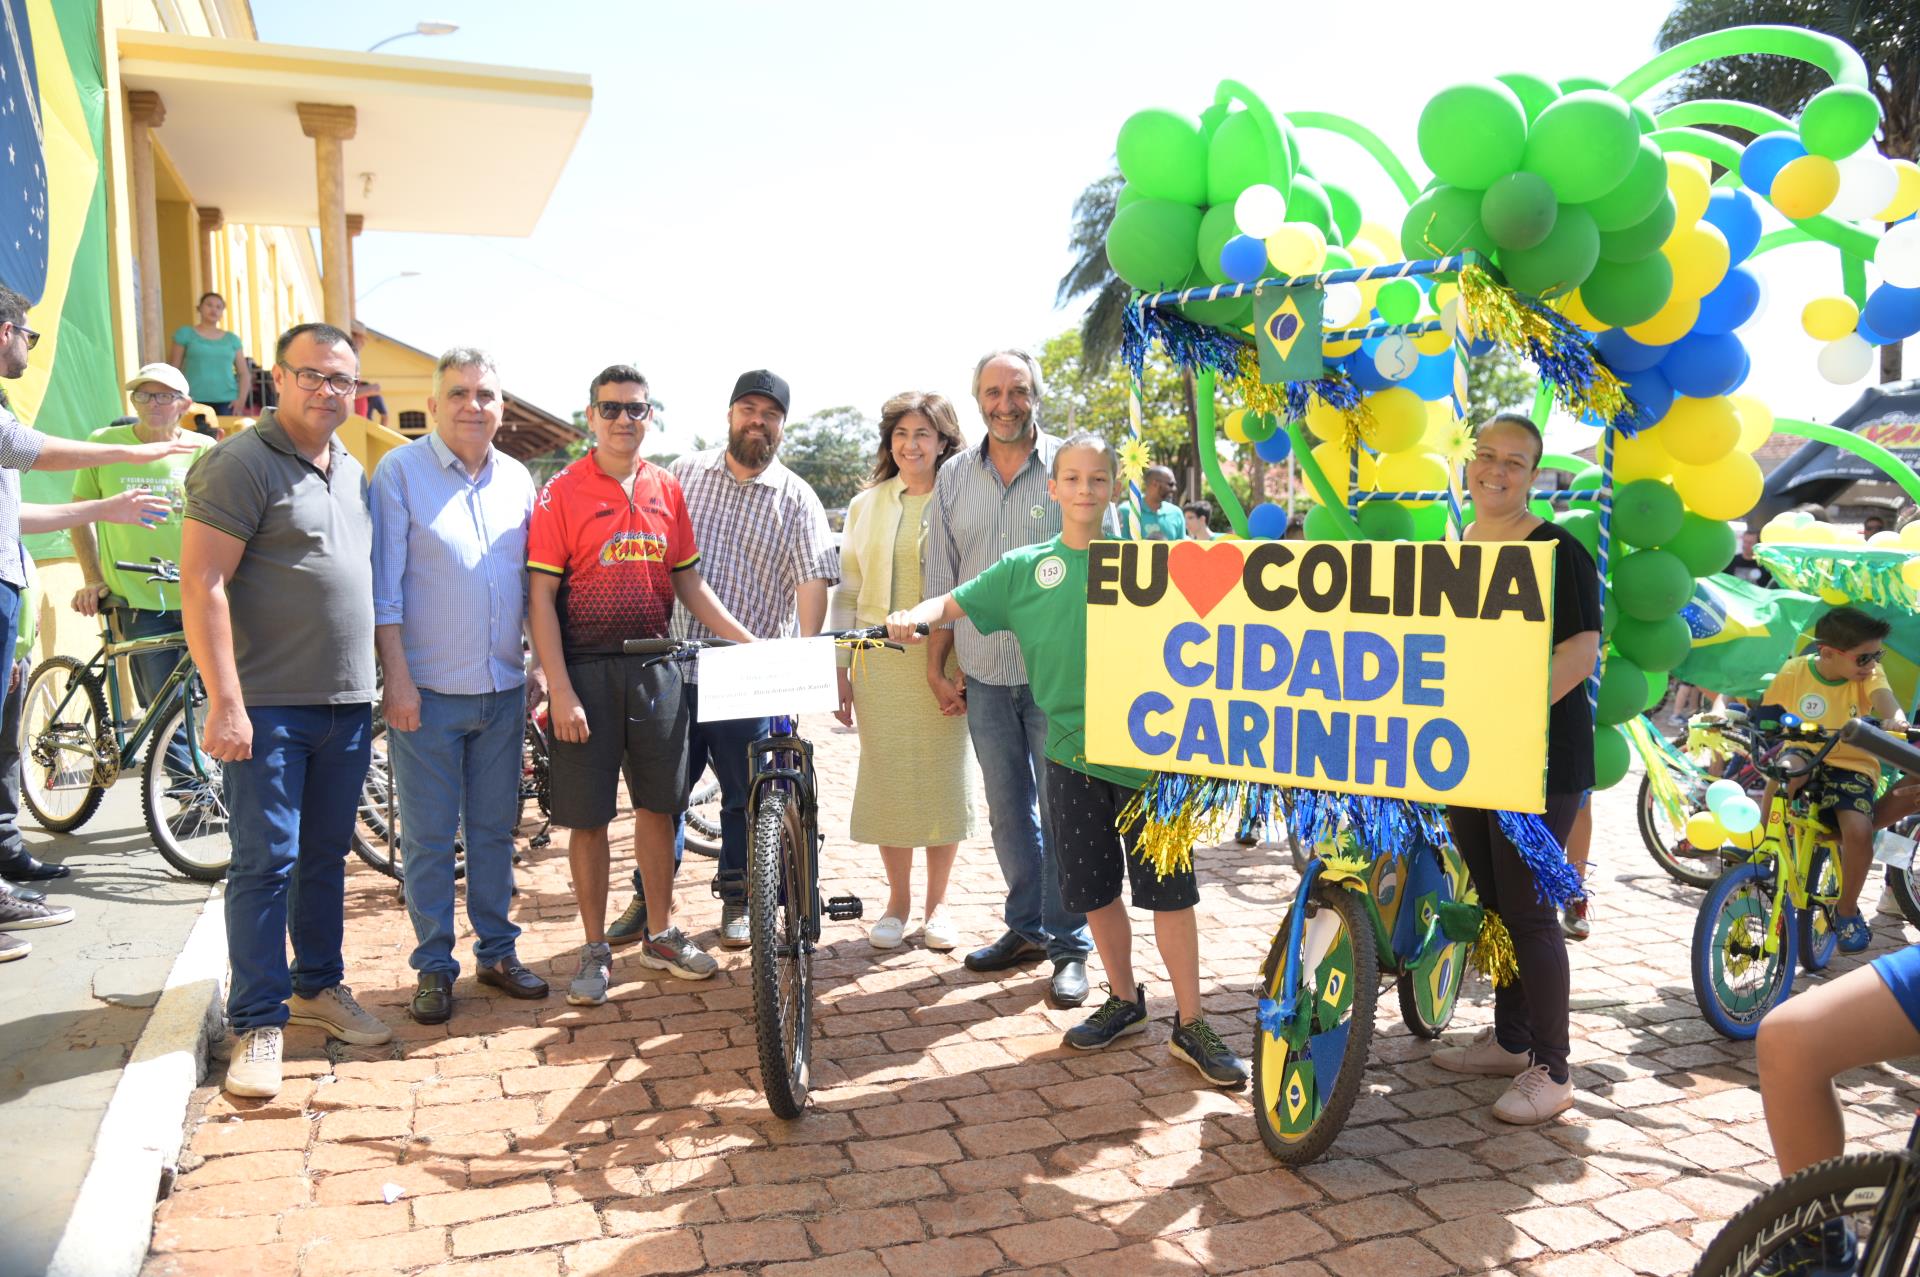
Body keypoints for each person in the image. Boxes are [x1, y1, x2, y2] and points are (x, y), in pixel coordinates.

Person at [889, 432, 1247, 1086]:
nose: (1085, 489)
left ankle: (1192, 1021)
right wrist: (914, 612)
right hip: (1071, 755)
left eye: (1098, 479)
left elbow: (1219, 611)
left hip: (1150, 765)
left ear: (1114, 489)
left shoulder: (1149, 561)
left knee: (1171, 894)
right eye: (1072, 478)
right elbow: (958, 600)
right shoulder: (1025, 568)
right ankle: (1124, 998)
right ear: (1051, 489)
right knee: (1092, 889)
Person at [183, 322, 390, 1099]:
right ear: (277, 376)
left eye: (342, 380)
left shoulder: (350, 469)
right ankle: (259, 1021)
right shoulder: (241, 463)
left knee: (324, 861)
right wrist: (225, 702)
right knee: (264, 863)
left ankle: (317, 986)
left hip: (343, 706)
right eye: (313, 375)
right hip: (267, 707)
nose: (329, 390)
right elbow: (201, 583)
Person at [527, 365, 753, 1003]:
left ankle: (660, 934)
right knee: (588, 818)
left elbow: (691, 586)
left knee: (661, 808)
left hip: (657, 668)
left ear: (651, 416)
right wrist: (560, 688)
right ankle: (595, 949)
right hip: (587, 672)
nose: (625, 419)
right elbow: (539, 597)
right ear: (591, 416)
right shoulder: (561, 491)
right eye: (612, 408)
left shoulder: (667, 489)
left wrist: (751, 644)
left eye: (637, 409)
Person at [604, 369, 836, 951]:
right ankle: (650, 897)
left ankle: (738, 897)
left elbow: (813, 579)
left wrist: (804, 661)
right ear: (730, 414)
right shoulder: (683, 474)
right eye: (748, 409)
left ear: (782, 425)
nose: (757, 421)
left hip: (749, 674)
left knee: (744, 795)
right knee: (662, 794)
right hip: (674, 661)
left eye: (770, 414)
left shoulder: (797, 496)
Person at [1429, 412, 1601, 1126]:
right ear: (1467, 462)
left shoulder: (1560, 550)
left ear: (1536, 475)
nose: (1496, 471)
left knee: (1530, 910)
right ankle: (1510, 1038)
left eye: (1515, 462)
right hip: (1469, 753)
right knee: (1495, 899)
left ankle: (1553, 1069)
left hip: (1539, 759)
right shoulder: (1456, 546)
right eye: (1486, 456)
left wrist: (1506, 713)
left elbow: (1580, 652)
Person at [372, 348, 548, 1025]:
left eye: (486, 394)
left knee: (494, 833)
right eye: (459, 393)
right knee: (426, 838)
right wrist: (398, 682)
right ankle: (434, 966)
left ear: (501, 407)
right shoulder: (400, 473)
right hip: (428, 694)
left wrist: (536, 662)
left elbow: (532, 582)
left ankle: (497, 951)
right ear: (437, 400)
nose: (473, 405)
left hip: (503, 690)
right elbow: (385, 591)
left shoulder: (518, 478)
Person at [923, 349, 1097, 1008]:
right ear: (977, 399)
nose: (1006, 403)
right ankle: (1027, 925)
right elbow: (944, 580)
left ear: (1036, 395)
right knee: (1007, 814)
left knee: (1064, 811)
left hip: (1062, 677)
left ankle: (1071, 943)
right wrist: (936, 667)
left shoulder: (1072, 467)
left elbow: (1112, 568)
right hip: (986, 675)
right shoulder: (952, 480)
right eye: (994, 391)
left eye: (1018, 390)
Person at [829, 391, 973, 950]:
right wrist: (840, 666)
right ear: (890, 443)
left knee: (942, 778)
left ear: (943, 442)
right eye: (900, 435)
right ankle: (897, 901)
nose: (911, 445)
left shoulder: (964, 499)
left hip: (951, 654)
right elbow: (848, 591)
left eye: (923, 435)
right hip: (880, 663)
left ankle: (938, 907)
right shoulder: (867, 505)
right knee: (890, 777)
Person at [0, 489, 172, 951]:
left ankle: (6, 857)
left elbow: (16, 521)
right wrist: (103, 508)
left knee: (6, 753)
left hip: (14, 630)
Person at [68, 362, 215, 794]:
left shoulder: (203, 449)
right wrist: (92, 577)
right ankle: (192, 790)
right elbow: (81, 515)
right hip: (134, 594)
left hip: (195, 593)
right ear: (132, 401)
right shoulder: (104, 444)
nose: (154, 404)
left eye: (165, 396)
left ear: (184, 405)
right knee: (163, 702)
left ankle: (201, 778)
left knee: (206, 692)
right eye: (145, 395)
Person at [1756, 606, 1909, 950]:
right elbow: (1767, 711)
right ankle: (1763, 850)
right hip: (1805, 750)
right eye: (1864, 657)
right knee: (1783, 773)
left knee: (1858, 831)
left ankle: (1847, 908)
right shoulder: (1796, 670)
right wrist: (1756, 719)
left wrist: (1895, 720)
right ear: (1827, 653)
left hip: (1853, 764)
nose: (1871, 663)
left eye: (1877, 655)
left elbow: (1886, 702)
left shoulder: (1870, 676)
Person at [168, 292, 250, 416]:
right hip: (192, 400)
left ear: (222, 312)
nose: (214, 310)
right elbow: (173, 368)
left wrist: (241, 400)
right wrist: (174, 397)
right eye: (209, 305)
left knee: (225, 435)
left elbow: (244, 373)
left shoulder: (232, 339)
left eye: (219, 307)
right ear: (199, 308)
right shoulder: (185, 334)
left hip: (227, 402)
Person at [1117, 465, 1186, 541]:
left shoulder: (1176, 513)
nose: (1174, 489)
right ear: (1155, 484)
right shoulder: (1127, 511)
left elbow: (1181, 549)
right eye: (1170, 484)